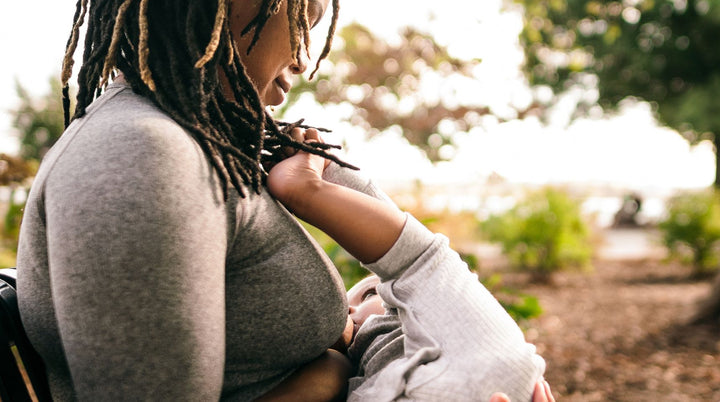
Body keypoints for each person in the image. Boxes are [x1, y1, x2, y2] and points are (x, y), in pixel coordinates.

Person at [15, 1, 547, 401]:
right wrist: (325, 379)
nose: (303, 56)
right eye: (300, 20)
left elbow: (421, 269)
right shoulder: (138, 156)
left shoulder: (205, 140)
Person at [264, 128, 550, 401]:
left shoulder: (358, 376)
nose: (348, 308)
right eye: (372, 293)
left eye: (371, 294)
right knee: (421, 266)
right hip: (490, 374)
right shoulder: (351, 373)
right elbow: (415, 260)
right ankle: (310, 183)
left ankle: (314, 181)